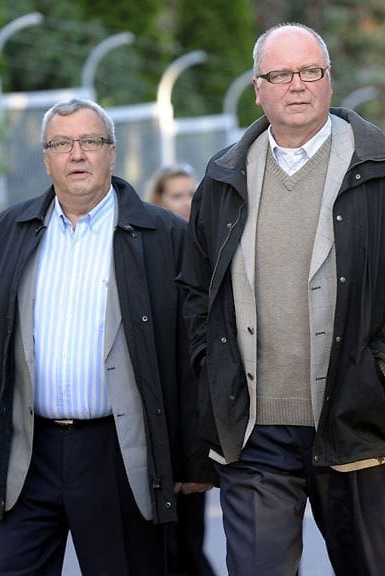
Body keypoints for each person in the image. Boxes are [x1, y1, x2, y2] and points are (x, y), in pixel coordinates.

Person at [178, 23, 385, 576]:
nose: (298, 85)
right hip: (254, 434)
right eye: (281, 74)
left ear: (330, 81)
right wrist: (213, 369)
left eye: (311, 71)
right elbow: (195, 293)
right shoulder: (223, 176)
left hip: (358, 423)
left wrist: (378, 368)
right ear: (258, 88)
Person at [0, 97, 213, 576]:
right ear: (46, 158)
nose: (77, 154)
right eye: (61, 144)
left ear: (111, 151)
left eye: (90, 141)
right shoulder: (12, 229)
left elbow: (187, 351)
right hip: (28, 452)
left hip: (117, 455)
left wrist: (194, 457)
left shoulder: (161, 234)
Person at [145, 163, 216, 576]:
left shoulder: (207, 248)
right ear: (157, 201)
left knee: (188, 539)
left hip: (196, 411)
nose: (187, 203)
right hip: (158, 409)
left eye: (192, 194)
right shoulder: (144, 253)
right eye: (177, 195)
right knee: (165, 544)